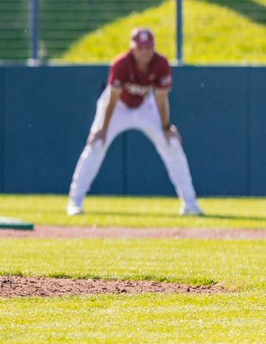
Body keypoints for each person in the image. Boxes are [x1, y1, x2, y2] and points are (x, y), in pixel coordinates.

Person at [66, 27, 202, 217]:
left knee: (172, 143)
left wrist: (165, 127)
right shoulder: (121, 64)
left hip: (145, 106)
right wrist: (103, 129)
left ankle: (190, 204)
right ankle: (75, 202)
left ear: (153, 48)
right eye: (140, 48)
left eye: (148, 48)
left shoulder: (161, 63)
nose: (144, 52)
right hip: (117, 107)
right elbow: (113, 99)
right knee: (96, 145)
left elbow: (161, 98)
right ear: (133, 48)